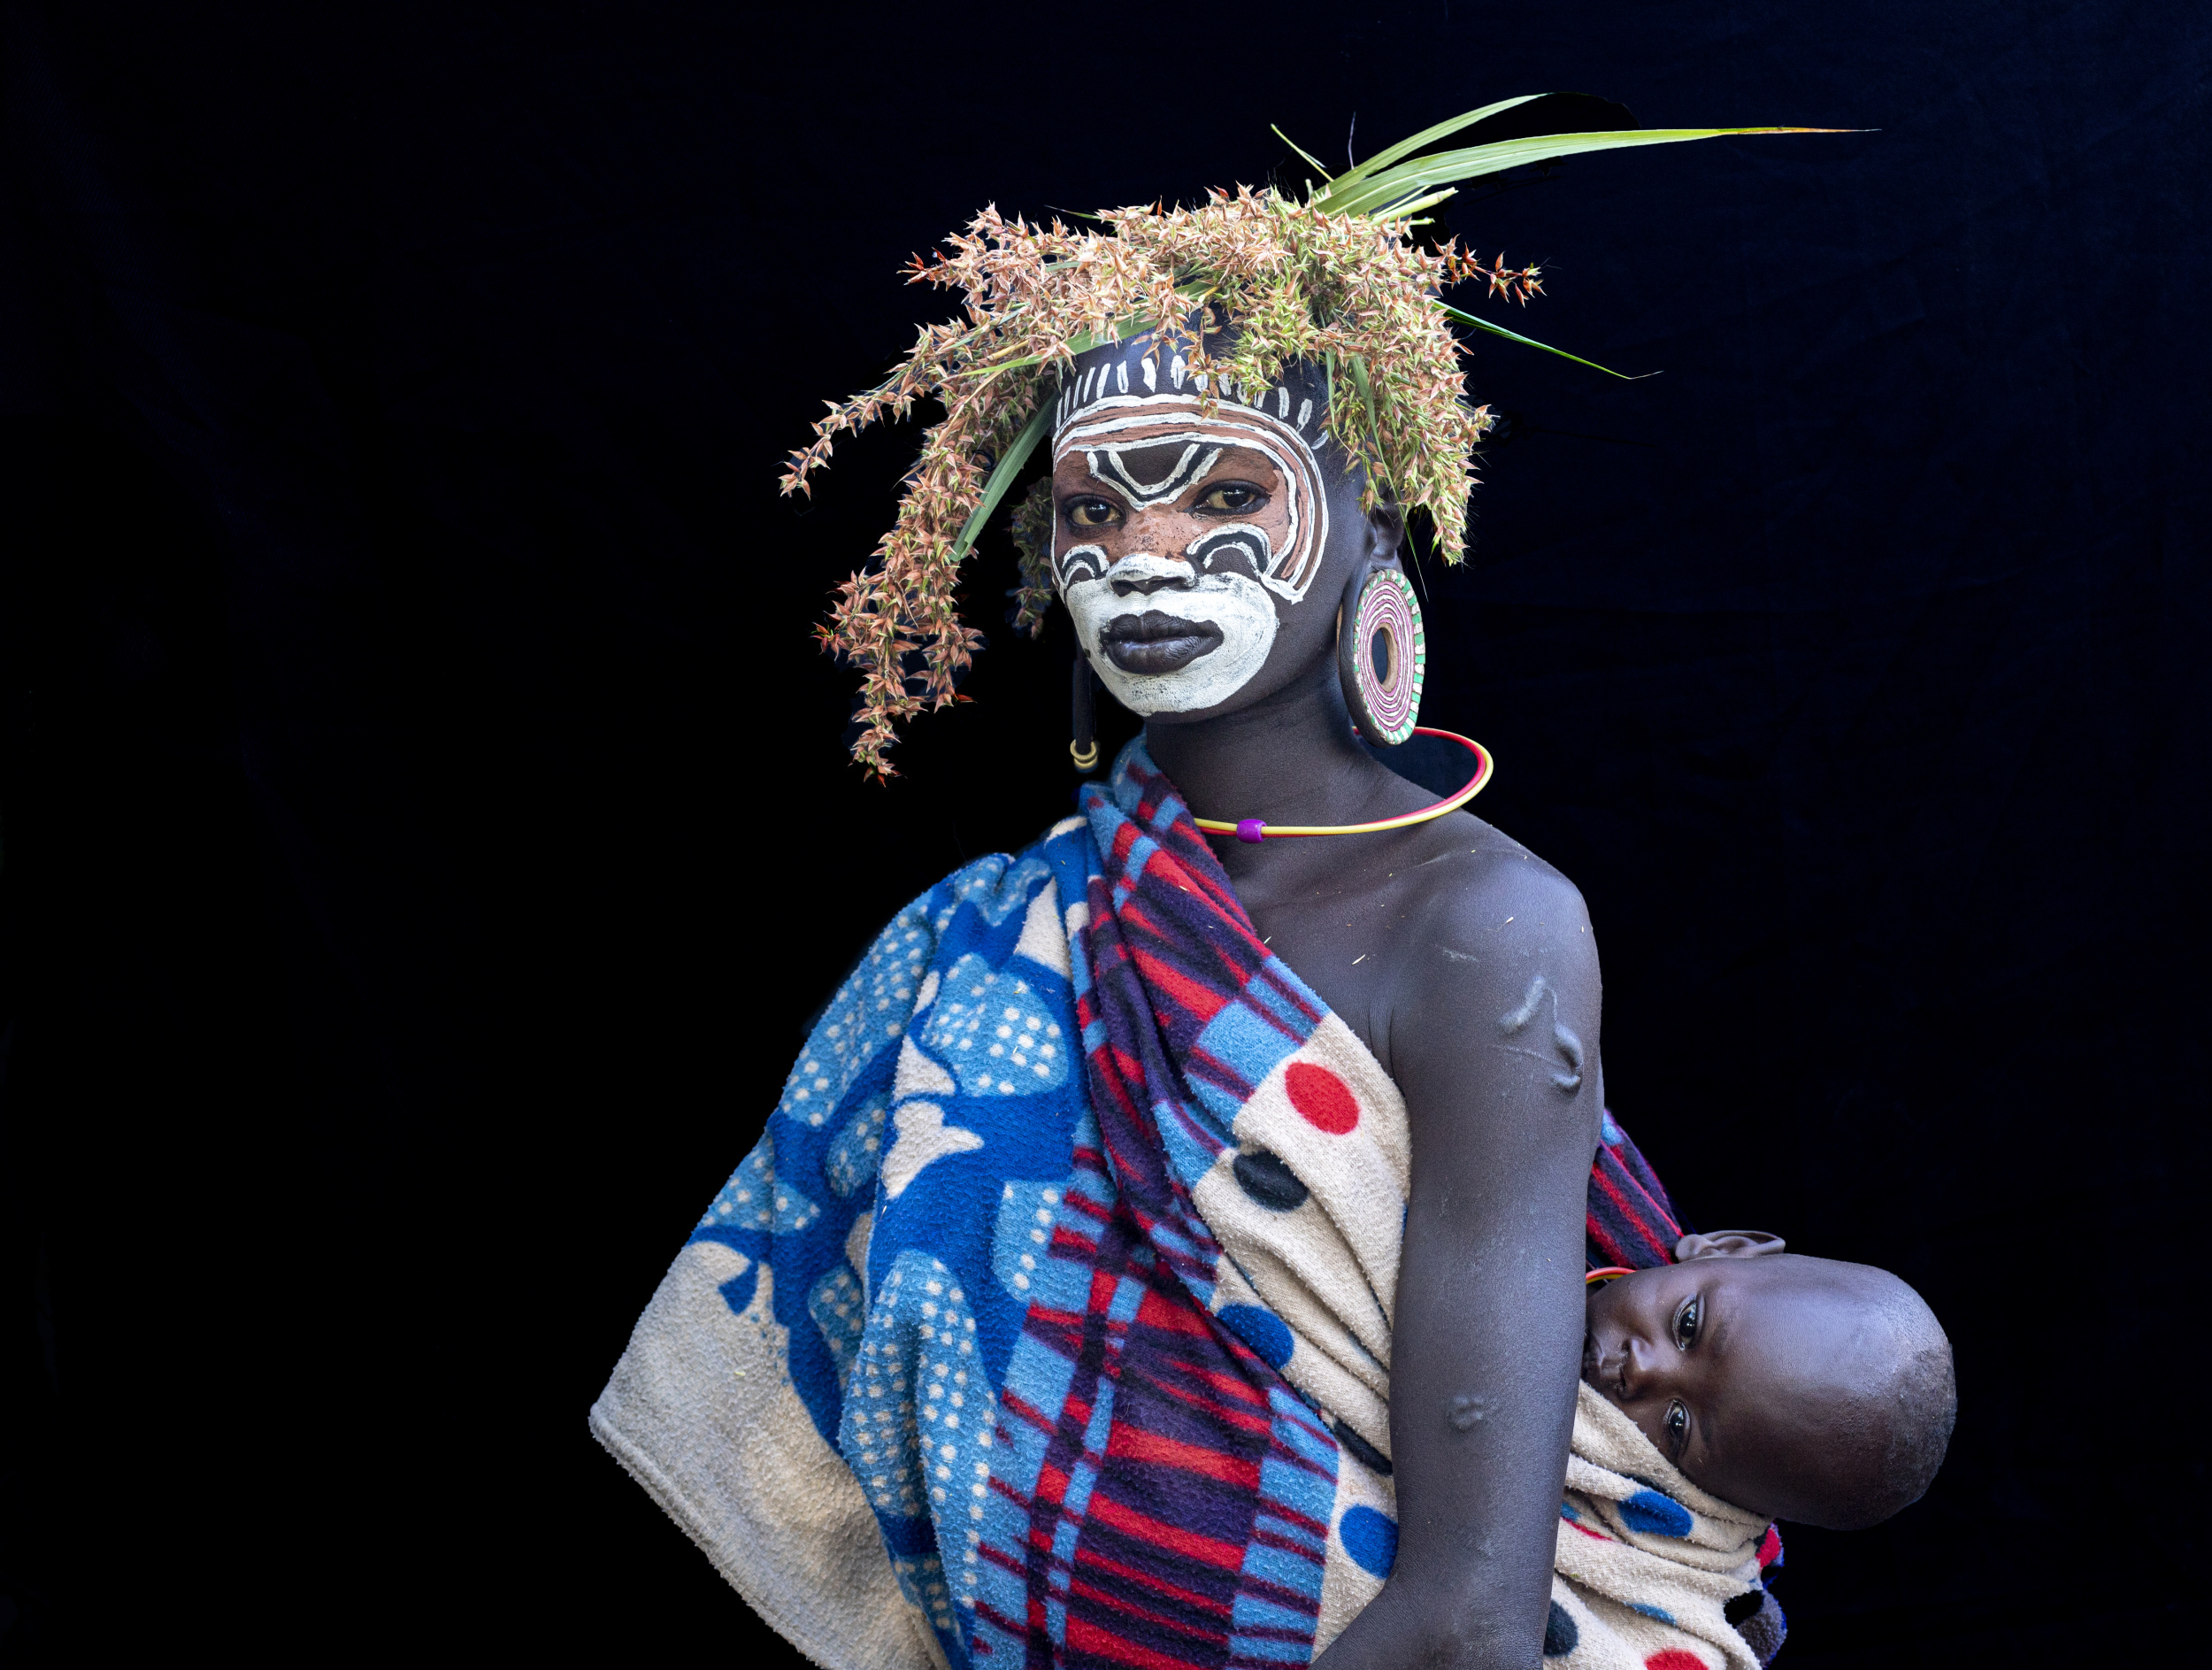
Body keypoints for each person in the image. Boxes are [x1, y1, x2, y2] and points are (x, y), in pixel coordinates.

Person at [595, 99, 1832, 1670]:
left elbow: (1467, 1616)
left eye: (1228, 494)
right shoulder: (1003, 931)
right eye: (1096, 506)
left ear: (1374, 521)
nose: (1146, 555)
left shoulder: (1481, 930)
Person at [1545, 1232, 1956, 1668]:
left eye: (1677, 1425)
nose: (1642, 1369)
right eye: (1688, 1325)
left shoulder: (1670, 1571)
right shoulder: (1592, 1217)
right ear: (1727, 1246)